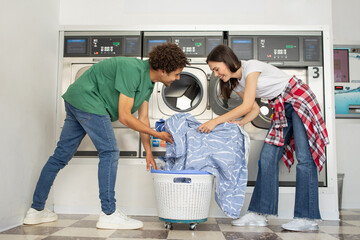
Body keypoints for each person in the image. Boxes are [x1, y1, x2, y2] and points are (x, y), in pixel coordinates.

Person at [23, 43, 189, 230]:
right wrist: (158, 134)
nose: (178, 78)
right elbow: (125, 116)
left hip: (77, 100)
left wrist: (148, 152)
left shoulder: (148, 84)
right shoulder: (133, 70)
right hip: (89, 101)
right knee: (110, 152)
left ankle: (36, 211)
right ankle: (109, 213)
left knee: (60, 156)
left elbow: (143, 119)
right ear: (163, 70)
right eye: (176, 73)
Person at [197, 45, 329, 231]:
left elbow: (248, 104)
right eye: (213, 71)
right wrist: (241, 123)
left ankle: (307, 218)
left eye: (216, 69)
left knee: (305, 158)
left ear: (227, 61)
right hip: (282, 106)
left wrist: (215, 122)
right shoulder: (237, 84)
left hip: (298, 99)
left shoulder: (251, 68)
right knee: (267, 158)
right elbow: (254, 109)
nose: (216, 74)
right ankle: (259, 213)